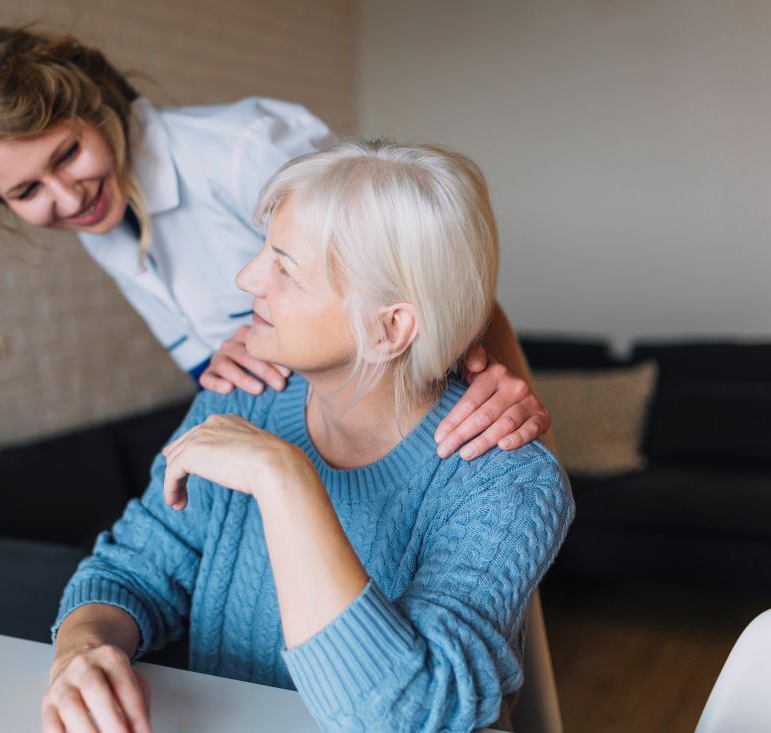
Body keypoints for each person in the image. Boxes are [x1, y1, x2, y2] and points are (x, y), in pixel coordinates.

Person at [41, 140, 574, 733]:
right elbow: (133, 570)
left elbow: (417, 715)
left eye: (284, 268)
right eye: (261, 251)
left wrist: (285, 479)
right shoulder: (243, 394)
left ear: (388, 327)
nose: (246, 278)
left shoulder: (506, 482)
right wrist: (83, 646)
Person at [0, 26, 552, 461]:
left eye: (67, 153)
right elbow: (217, 373)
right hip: (310, 450)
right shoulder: (102, 225)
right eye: (26, 191)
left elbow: (427, 277)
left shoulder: (241, 152)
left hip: (423, 437)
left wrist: (497, 381)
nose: (66, 199)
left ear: (96, 106)